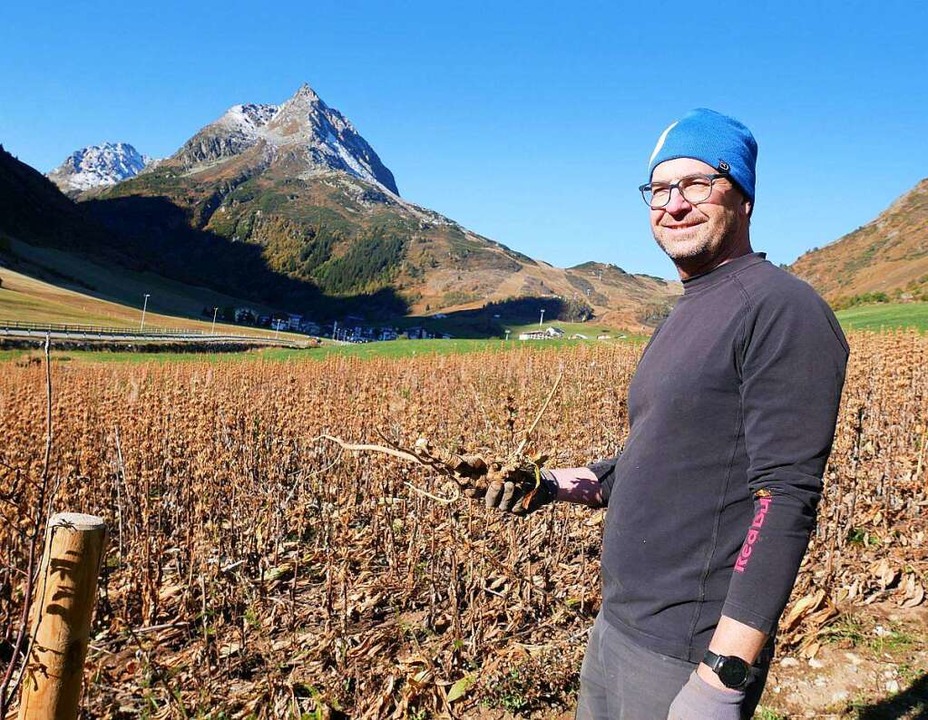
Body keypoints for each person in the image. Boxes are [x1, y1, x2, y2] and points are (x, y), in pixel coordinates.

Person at [482, 109, 849, 719]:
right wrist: (545, 485)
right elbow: (653, 456)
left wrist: (723, 677)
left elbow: (785, 495)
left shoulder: (781, 308)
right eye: (659, 188)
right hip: (620, 628)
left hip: (687, 652)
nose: (674, 204)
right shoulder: (686, 310)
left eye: (699, 183)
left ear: (745, 197)